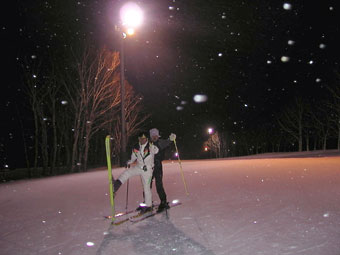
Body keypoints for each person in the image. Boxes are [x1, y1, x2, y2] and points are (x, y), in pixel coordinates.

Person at [113, 131, 159, 213]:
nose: (142, 140)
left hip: (147, 170)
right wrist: (128, 162)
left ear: (147, 139)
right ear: (138, 139)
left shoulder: (150, 147)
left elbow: (156, 150)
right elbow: (133, 158)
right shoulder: (136, 147)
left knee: (146, 187)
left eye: (144, 139)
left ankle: (148, 206)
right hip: (139, 167)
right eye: (141, 139)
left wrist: (155, 146)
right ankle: (117, 184)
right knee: (128, 172)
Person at [149, 128, 176, 212]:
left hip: (157, 166)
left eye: (155, 135)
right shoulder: (148, 144)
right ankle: (147, 202)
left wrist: (171, 139)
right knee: (147, 185)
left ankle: (163, 201)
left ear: (158, 136)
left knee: (159, 184)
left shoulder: (160, 142)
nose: (154, 137)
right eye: (153, 136)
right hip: (148, 167)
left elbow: (167, 142)